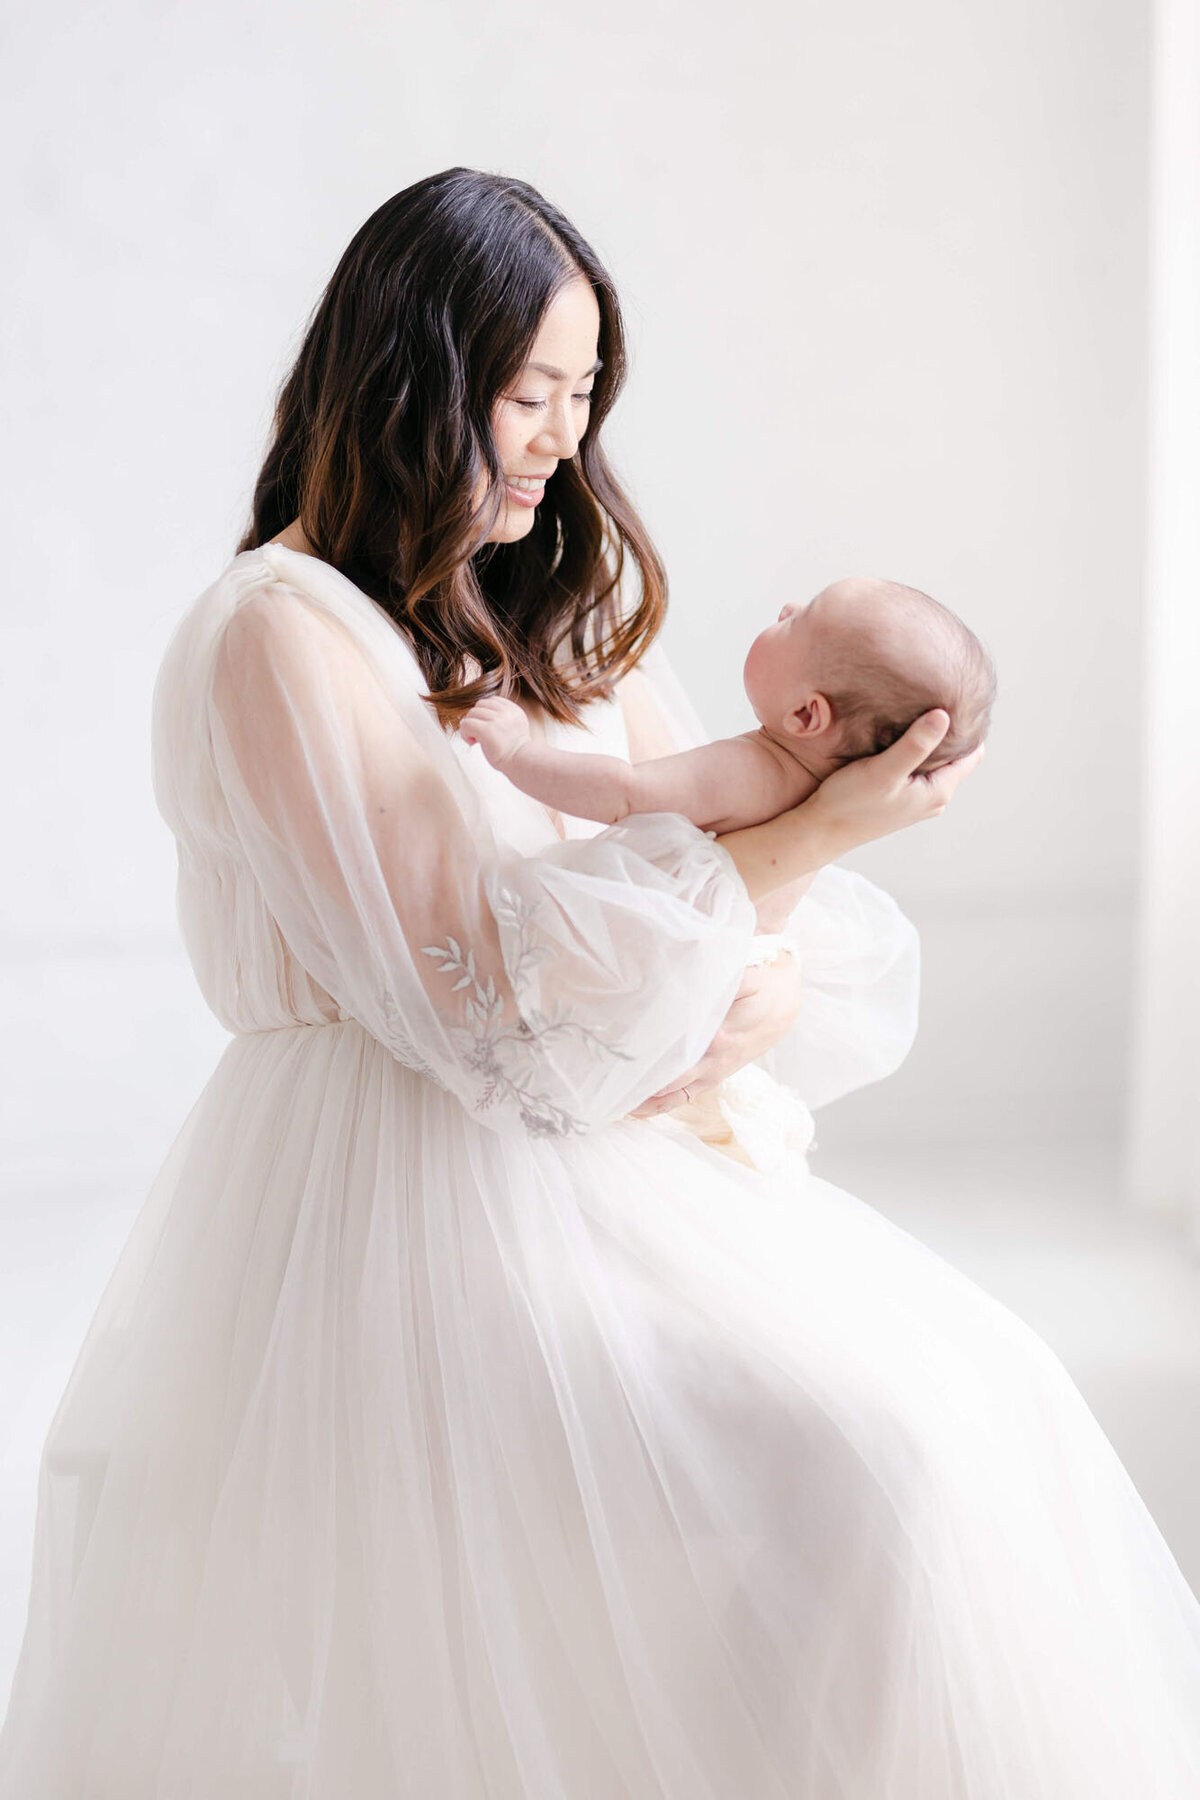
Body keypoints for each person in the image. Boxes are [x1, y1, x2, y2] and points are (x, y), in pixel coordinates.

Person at [1, 168, 1198, 1800]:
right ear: (414, 381)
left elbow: (732, 965)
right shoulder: (282, 631)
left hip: (608, 1171)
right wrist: (800, 859)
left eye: (583, 395)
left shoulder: (561, 608)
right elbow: (494, 1024)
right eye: (531, 394)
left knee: (978, 1403)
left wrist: (730, 951)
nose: (567, 437)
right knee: (877, 1455)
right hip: (400, 1204)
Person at [459, 576, 996, 832]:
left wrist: (516, 753)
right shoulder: (817, 789)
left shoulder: (746, 771)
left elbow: (622, 793)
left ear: (806, 716)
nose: (785, 606)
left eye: (797, 621)